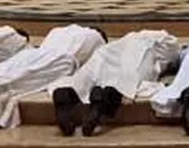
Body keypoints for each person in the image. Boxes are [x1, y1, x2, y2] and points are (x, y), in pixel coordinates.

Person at [0, 24, 105, 137]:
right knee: (16, 84)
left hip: (31, 54)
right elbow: (91, 65)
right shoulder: (97, 39)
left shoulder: (57, 30)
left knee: (3, 72)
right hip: (61, 60)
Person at [50, 30, 181, 136]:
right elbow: (172, 49)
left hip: (109, 50)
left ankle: (68, 92)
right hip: (143, 48)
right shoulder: (163, 40)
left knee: (90, 75)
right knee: (128, 81)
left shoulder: (121, 40)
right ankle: (105, 98)